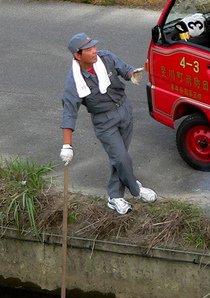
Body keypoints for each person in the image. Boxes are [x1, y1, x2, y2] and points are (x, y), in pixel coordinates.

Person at [60, 32, 157, 215]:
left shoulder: (105, 58)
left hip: (125, 111)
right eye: (89, 49)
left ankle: (114, 197)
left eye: (94, 46)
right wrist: (67, 145)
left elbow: (124, 68)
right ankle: (136, 189)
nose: (94, 51)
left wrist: (131, 74)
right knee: (121, 158)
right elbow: (69, 113)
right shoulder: (74, 81)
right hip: (104, 122)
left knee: (119, 158)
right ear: (77, 55)